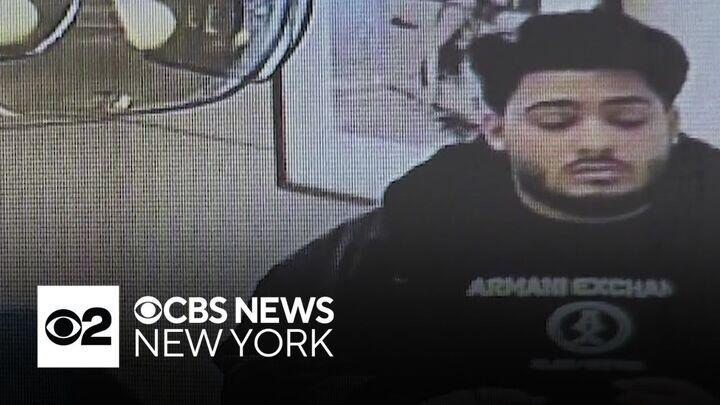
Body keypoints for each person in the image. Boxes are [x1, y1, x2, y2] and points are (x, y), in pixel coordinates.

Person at [219, 10, 720, 404]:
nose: (595, 143)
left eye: (627, 118)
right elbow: (255, 357)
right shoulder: (410, 230)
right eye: (555, 120)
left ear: (671, 124)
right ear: (497, 131)